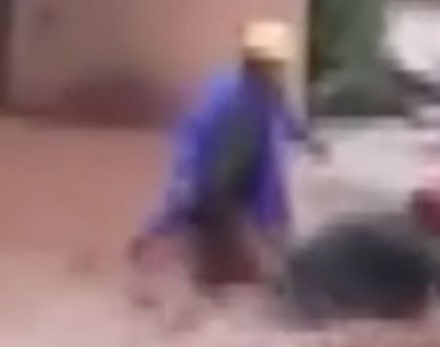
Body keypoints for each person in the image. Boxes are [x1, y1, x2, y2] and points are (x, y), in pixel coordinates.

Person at [129, 19, 326, 290]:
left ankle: (281, 270)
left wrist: (310, 141)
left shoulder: (269, 94)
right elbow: (193, 144)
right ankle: (153, 256)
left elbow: (286, 119)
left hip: (249, 180)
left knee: (271, 233)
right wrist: (169, 212)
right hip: (215, 184)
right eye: (273, 65)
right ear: (254, 63)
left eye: (278, 65)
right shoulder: (225, 98)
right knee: (203, 241)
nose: (278, 71)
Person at [275, 175, 440, 326]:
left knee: (411, 302)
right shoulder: (416, 240)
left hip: (306, 265)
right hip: (312, 281)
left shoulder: (415, 224)